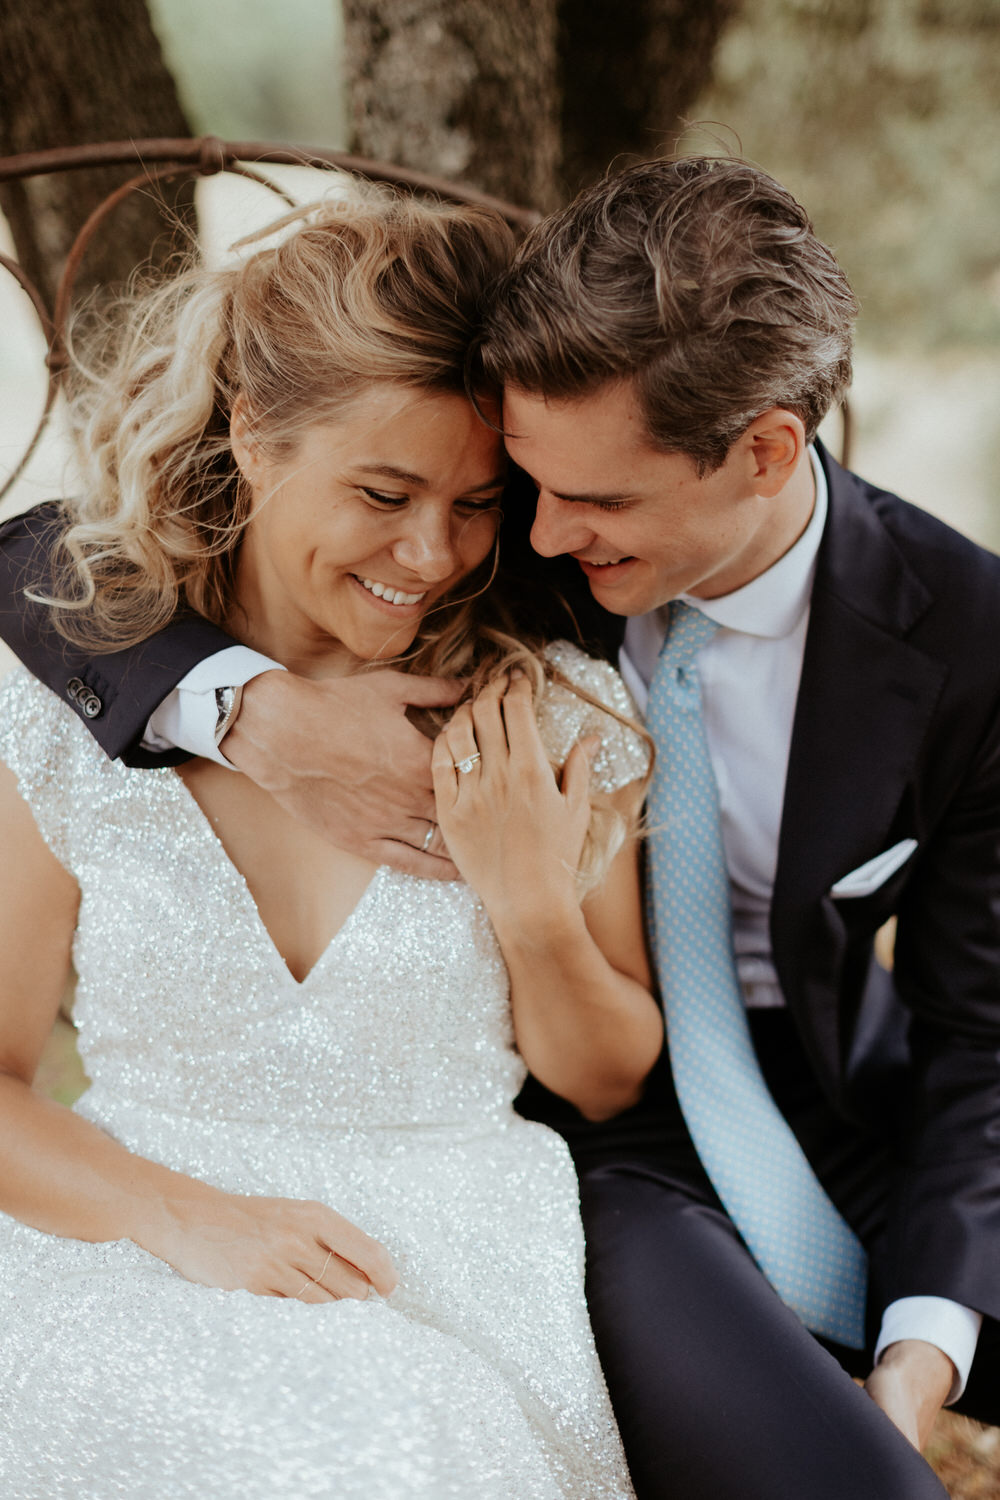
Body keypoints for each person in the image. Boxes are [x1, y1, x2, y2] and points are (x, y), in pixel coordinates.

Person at [3, 158, 998, 1500]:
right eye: (506, 489)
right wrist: (246, 712)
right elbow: (42, 564)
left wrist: (925, 1351)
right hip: (578, 1168)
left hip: (801, 1106)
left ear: (767, 452)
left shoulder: (952, 638)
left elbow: (981, 1039)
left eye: (562, 502)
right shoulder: (497, 507)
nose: (506, 537)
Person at [0, 184, 662, 1499]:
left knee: (383, 1455)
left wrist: (530, 908)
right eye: (384, 490)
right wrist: (185, 1218)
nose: (431, 552)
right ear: (251, 430)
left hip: (452, 1265)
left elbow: (603, 1081)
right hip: (130, 1244)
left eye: (479, 503)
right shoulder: (58, 708)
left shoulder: (556, 710)